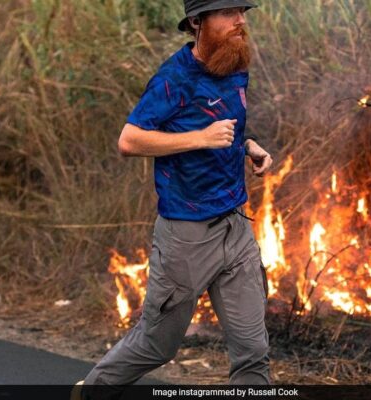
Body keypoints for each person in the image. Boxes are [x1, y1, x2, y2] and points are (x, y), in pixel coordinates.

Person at [77, 1, 273, 397]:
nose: (240, 21)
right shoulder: (173, 79)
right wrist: (200, 138)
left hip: (235, 227)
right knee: (157, 344)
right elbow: (129, 140)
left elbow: (228, 129)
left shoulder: (235, 67)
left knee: (253, 351)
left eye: (241, 12)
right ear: (198, 22)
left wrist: (248, 146)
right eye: (228, 13)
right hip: (186, 235)